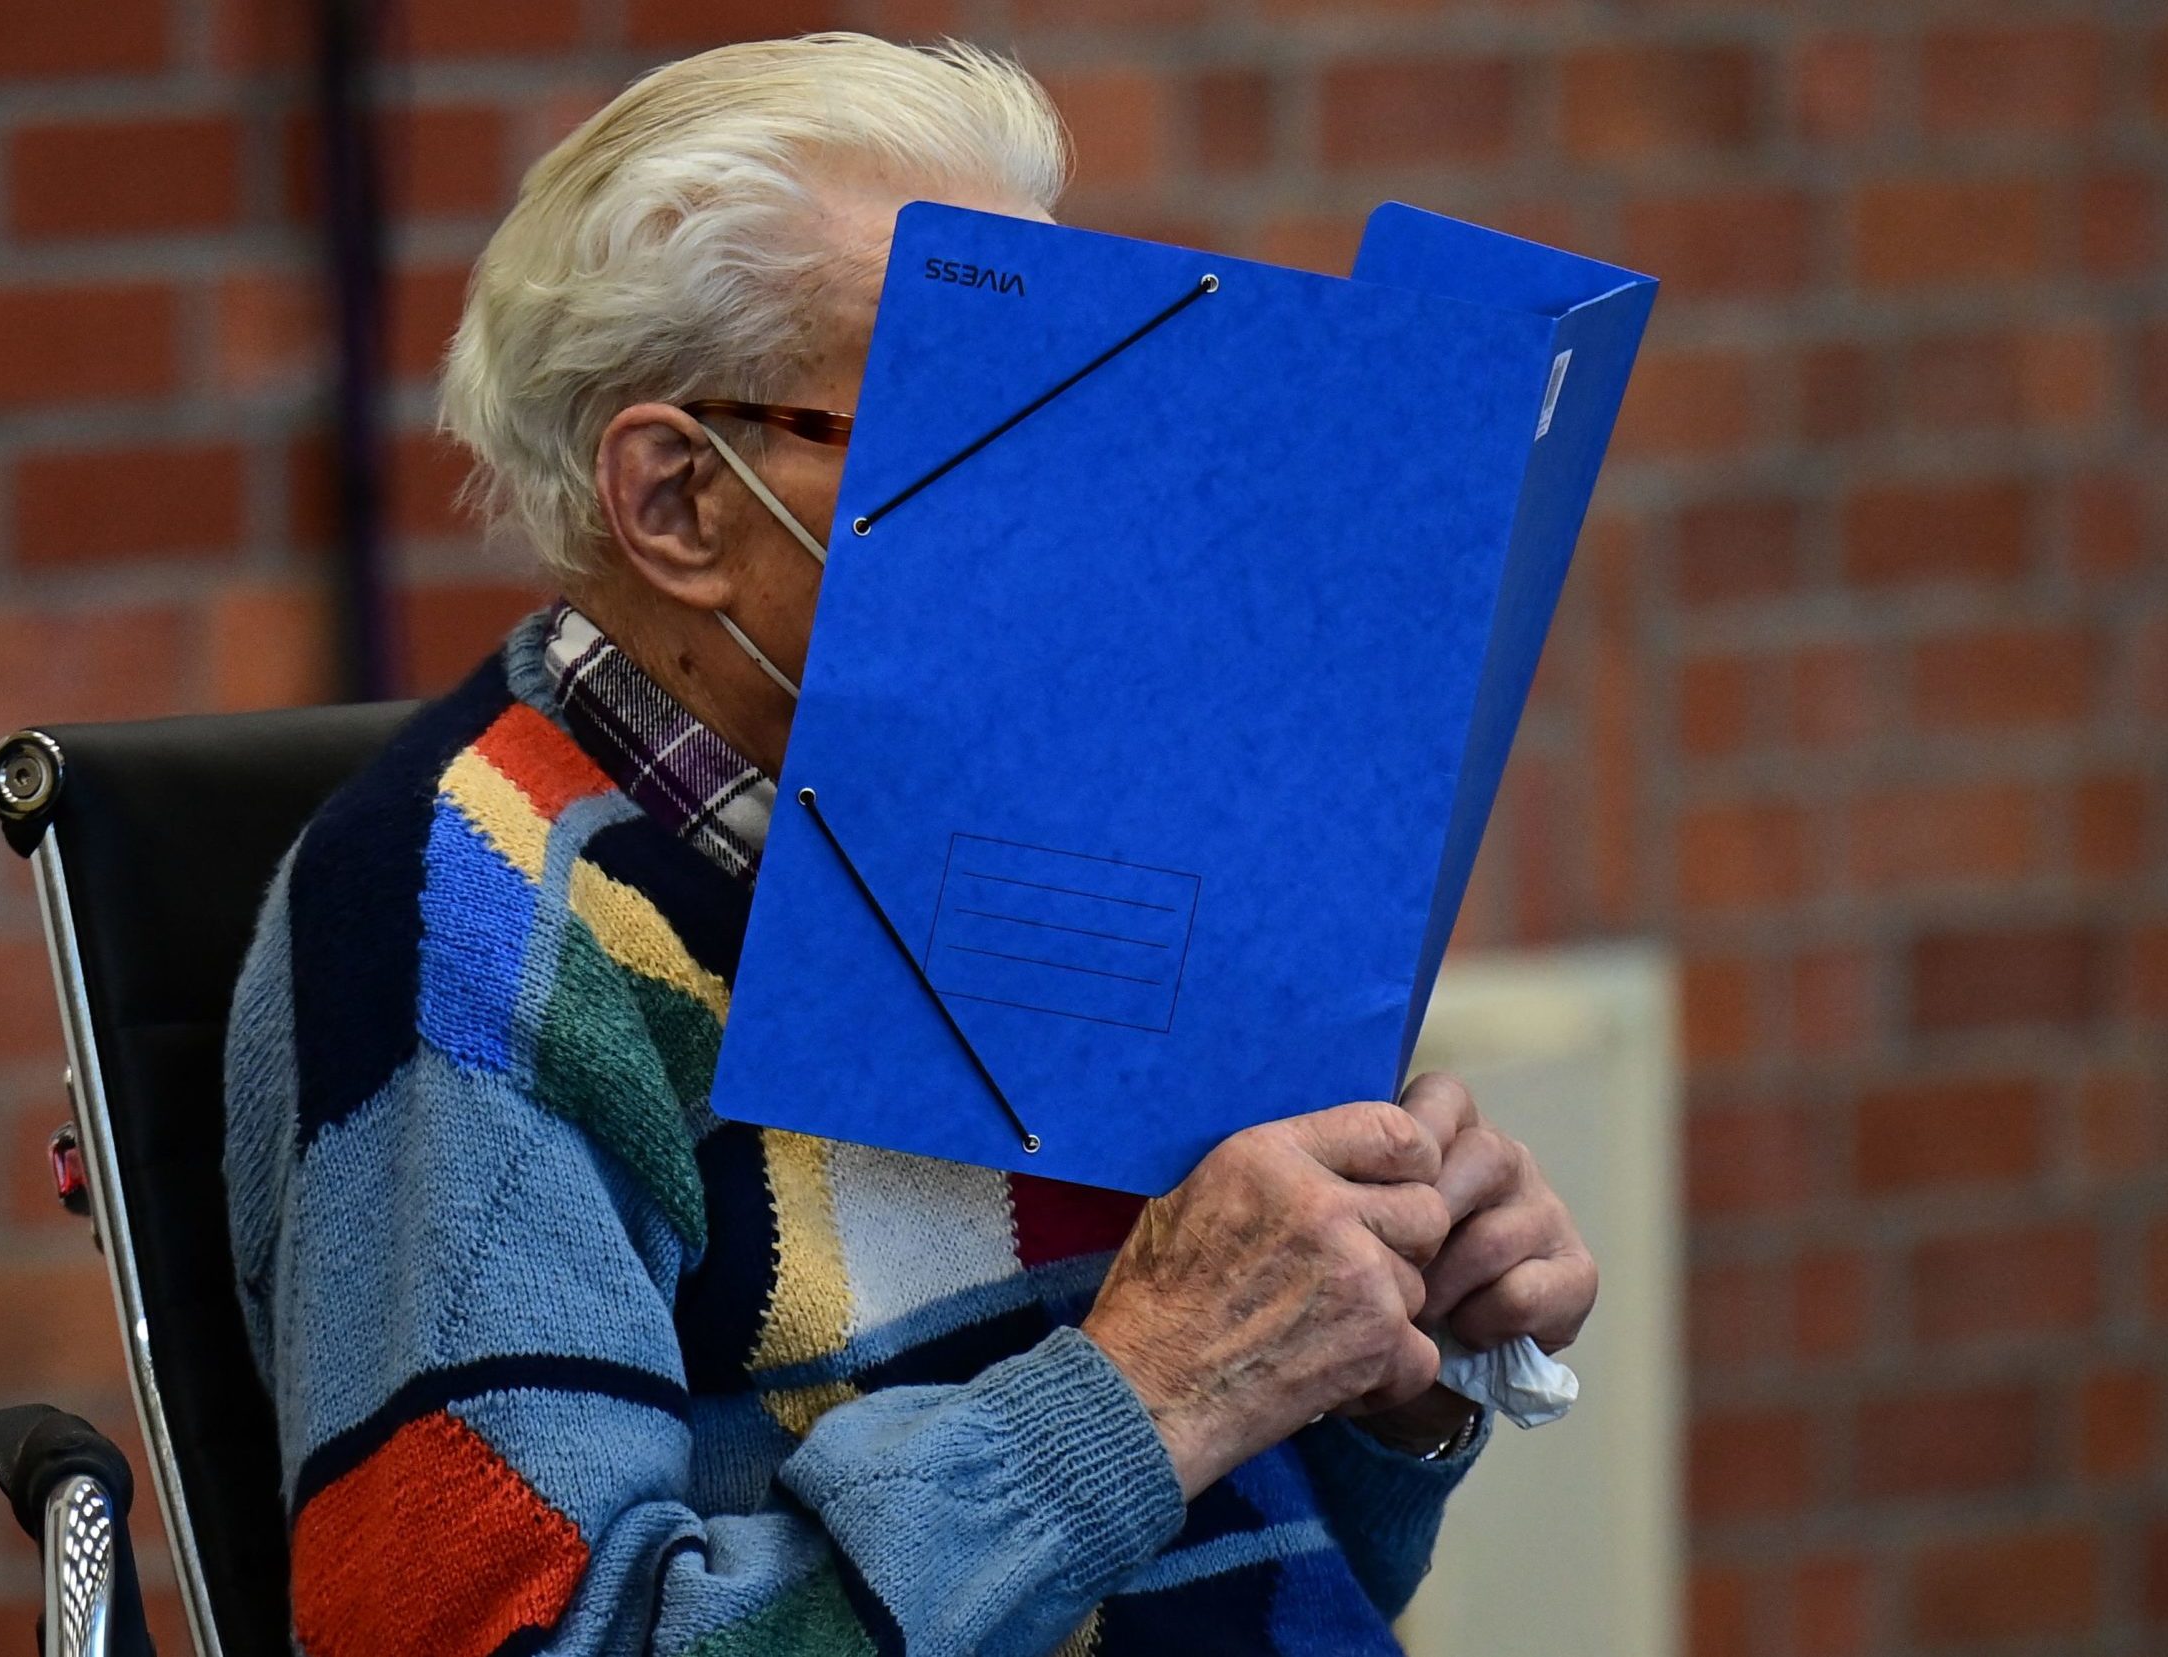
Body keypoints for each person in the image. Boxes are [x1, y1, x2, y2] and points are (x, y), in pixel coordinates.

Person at [223, 33, 1597, 1657]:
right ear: (678, 500)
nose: (1075, 515)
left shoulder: (1059, 819)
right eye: (986, 420)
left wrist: (1379, 1368)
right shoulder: (466, 914)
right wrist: (1146, 1391)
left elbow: (1261, 1565)